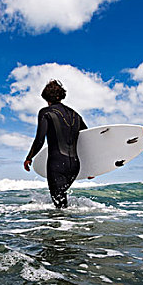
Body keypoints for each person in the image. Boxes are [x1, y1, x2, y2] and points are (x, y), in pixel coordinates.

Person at [23, 80, 88, 208]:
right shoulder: (76, 115)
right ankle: (72, 226)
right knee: (62, 200)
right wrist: (90, 168)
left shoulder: (46, 112)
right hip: (75, 166)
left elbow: (39, 140)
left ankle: (62, 227)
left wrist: (29, 157)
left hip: (57, 164)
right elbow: (87, 138)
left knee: (60, 207)